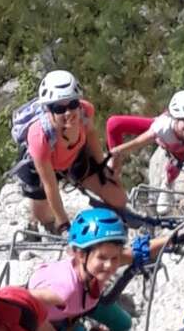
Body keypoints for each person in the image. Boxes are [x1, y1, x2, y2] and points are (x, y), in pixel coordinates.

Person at [27, 207, 184, 331]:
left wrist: (171, 239)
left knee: (124, 324)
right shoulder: (64, 290)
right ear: (80, 254)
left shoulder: (94, 266)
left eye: (114, 258)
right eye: (102, 258)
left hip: (84, 300)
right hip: (58, 321)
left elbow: (135, 253)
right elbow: (27, 302)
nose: (109, 265)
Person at [13, 70, 127, 236]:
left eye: (73, 104)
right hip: (39, 168)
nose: (68, 113)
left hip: (73, 157)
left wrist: (103, 169)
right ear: (48, 110)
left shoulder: (85, 112)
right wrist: (64, 225)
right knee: (44, 217)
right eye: (59, 108)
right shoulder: (39, 135)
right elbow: (49, 185)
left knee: (119, 199)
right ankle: (37, 222)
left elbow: (91, 136)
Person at [106, 90, 184, 214]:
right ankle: (114, 175)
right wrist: (118, 151)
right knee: (114, 123)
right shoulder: (162, 126)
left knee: (174, 165)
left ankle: (168, 185)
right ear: (175, 118)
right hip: (163, 137)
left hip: (181, 149)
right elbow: (138, 142)